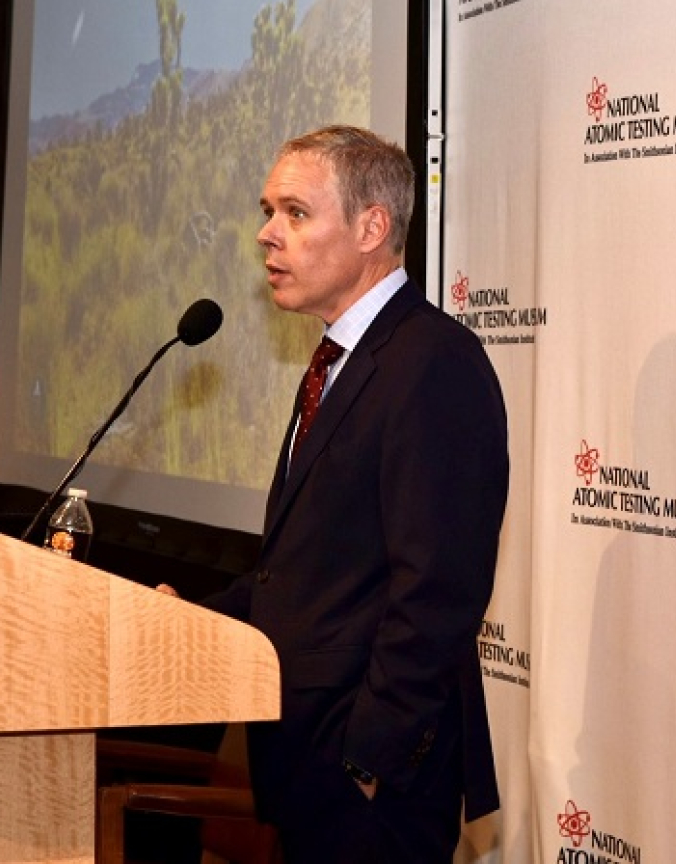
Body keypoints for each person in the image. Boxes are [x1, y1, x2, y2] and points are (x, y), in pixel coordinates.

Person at [164, 125, 509, 862]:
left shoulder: (433, 362)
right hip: (304, 767)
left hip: (371, 790)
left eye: (294, 212)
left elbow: (437, 593)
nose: (266, 234)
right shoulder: (335, 361)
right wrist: (186, 623)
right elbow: (305, 571)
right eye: (267, 210)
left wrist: (368, 764)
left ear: (371, 227)